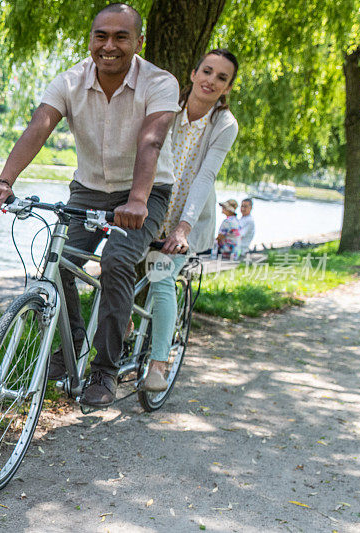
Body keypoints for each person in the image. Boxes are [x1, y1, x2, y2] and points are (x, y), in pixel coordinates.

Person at [0, 3, 180, 407]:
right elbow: (39, 126)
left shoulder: (160, 83)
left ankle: (105, 369)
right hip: (89, 189)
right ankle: (71, 343)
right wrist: (6, 180)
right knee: (58, 260)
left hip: (146, 192)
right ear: (90, 40)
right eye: (100, 36)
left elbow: (152, 142)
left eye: (120, 37)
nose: (109, 46)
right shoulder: (71, 80)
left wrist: (139, 198)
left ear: (138, 42)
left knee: (117, 262)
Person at [143, 49, 240, 391]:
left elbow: (205, 177)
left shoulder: (224, 124)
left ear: (228, 87)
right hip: (152, 206)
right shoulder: (168, 108)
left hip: (188, 215)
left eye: (221, 77)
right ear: (194, 73)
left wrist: (183, 228)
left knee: (161, 277)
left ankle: (158, 364)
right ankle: (121, 331)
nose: (211, 80)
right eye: (207, 71)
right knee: (119, 264)